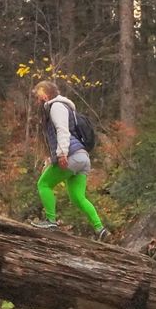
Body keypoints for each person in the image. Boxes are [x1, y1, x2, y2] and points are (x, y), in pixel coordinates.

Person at [30, 79, 108, 240]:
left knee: (43, 184)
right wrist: (51, 159)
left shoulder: (56, 106)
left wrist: (62, 154)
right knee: (78, 197)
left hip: (71, 155)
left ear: (45, 94)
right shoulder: (65, 107)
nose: (37, 101)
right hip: (82, 157)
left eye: (38, 96)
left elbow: (62, 131)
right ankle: (100, 229)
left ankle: (51, 221)